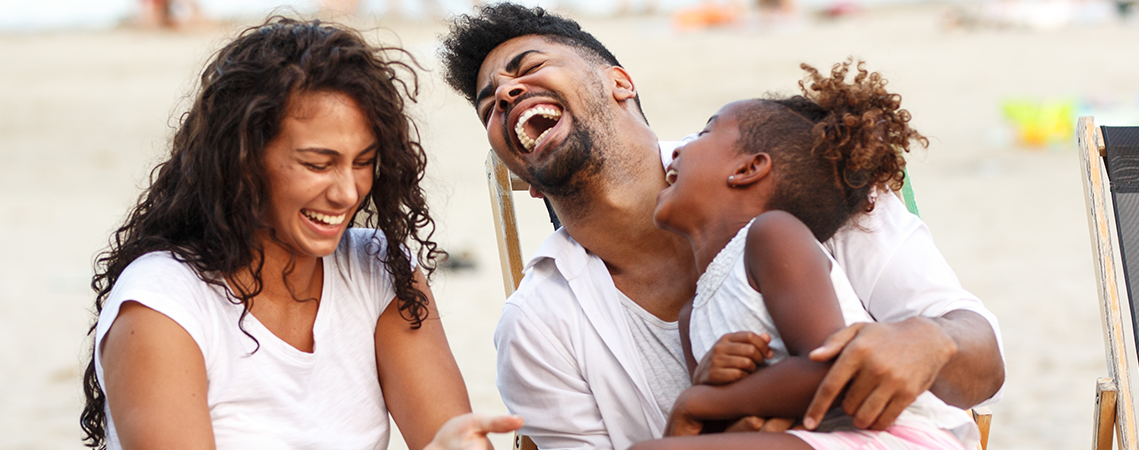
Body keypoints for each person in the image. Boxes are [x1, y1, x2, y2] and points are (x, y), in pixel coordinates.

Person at [438, 4, 1005, 449]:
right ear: (529, 180)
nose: (506, 95)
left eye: (529, 68)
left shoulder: (795, 178)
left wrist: (931, 339)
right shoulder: (537, 326)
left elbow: (982, 364)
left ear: (620, 82)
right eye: (489, 107)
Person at [78, 17, 519, 450]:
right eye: (317, 164)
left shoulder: (380, 272)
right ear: (243, 159)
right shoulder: (164, 305)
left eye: (363, 162)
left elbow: (448, 438)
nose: (348, 192)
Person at [634, 60, 978, 450]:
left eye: (704, 132)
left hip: (883, 435)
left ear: (749, 168)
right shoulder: (690, 315)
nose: (676, 149)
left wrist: (702, 399)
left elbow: (833, 370)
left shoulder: (772, 236)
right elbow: (724, 426)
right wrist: (707, 389)